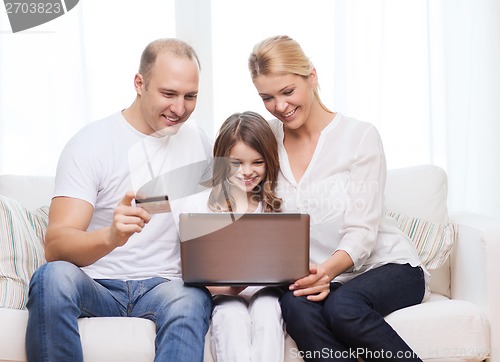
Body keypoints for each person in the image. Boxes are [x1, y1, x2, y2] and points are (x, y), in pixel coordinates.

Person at [25, 38, 213, 362]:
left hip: (165, 287)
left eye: (190, 96)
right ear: (139, 83)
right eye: (168, 94)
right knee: (50, 278)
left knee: (192, 299)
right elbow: (55, 246)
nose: (180, 108)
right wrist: (111, 237)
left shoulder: (199, 143)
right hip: (97, 284)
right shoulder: (91, 144)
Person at [247, 35, 429, 361]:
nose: (280, 106)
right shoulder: (266, 142)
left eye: (288, 91)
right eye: (267, 98)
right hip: (321, 276)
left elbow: (362, 231)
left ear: (312, 77)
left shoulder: (359, 137)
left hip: (388, 266)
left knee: (342, 307)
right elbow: (234, 186)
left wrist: (326, 273)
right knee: (293, 305)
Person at [183, 111, 285, 362]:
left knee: (267, 309)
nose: (247, 172)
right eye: (236, 163)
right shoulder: (200, 206)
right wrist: (230, 287)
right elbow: (192, 275)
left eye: (257, 162)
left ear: (269, 161)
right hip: (223, 294)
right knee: (231, 314)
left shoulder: (278, 205)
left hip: (268, 292)